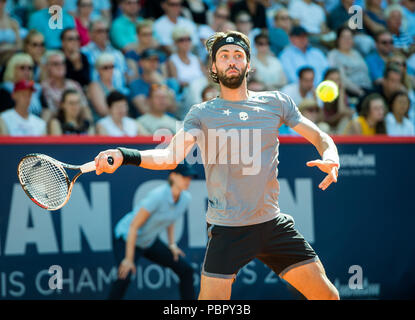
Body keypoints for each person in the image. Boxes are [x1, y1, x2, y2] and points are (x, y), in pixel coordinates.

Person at [94, 30, 341, 300]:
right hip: (227, 229)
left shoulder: (276, 102)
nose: (231, 60)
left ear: (248, 64)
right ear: (213, 66)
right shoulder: (201, 114)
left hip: (272, 224)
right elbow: (168, 158)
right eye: (224, 56)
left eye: (238, 55)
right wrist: (124, 154)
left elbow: (319, 136)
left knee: (328, 297)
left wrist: (331, 156)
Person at [107, 163, 197, 300]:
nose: (187, 180)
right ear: (173, 176)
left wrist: (172, 245)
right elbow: (133, 226)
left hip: (148, 241)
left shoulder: (185, 198)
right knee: (125, 275)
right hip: (126, 238)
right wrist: (128, 259)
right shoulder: (157, 196)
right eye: (184, 176)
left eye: (189, 177)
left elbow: (171, 220)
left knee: (186, 270)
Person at [41, 50, 90, 122]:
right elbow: (50, 111)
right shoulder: (44, 87)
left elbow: (84, 107)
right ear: (47, 67)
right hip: (56, 123)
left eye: (62, 63)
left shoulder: (74, 84)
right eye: (56, 64)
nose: (60, 66)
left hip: (76, 121)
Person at [81, 19, 128, 91]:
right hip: (98, 94)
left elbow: (124, 74)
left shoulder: (117, 53)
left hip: (120, 93)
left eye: (106, 31)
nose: (103, 34)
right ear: (90, 33)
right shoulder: (84, 53)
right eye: (99, 31)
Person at [327, 26, 372, 98]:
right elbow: (341, 78)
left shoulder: (356, 53)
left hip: (367, 88)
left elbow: (366, 71)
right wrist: (359, 92)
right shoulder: (334, 55)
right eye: (344, 37)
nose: (347, 40)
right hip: (352, 92)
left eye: (350, 37)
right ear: (338, 39)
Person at [87, 53, 130, 118]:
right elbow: (102, 111)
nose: (110, 70)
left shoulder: (115, 87)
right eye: (105, 68)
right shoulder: (95, 86)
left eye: (112, 67)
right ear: (98, 70)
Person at [321, 68, 354, 135]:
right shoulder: (320, 94)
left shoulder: (342, 94)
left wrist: (341, 93)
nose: (334, 83)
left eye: (337, 80)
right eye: (331, 80)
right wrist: (340, 115)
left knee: (346, 121)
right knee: (324, 127)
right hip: (325, 128)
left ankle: (340, 144)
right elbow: (323, 120)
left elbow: (343, 111)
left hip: (338, 129)